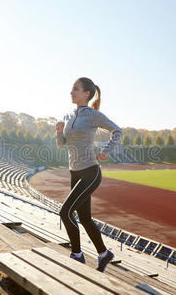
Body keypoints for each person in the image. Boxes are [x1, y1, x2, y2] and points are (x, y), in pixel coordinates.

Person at [55, 77, 123, 272]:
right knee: (84, 218)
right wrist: (59, 132)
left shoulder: (93, 115)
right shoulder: (67, 116)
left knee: (65, 212)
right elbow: (61, 145)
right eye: (71, 89)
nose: (71, 92)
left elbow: (118, 131)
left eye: (75, 89)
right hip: (74, 172)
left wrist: (106, 151)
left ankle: (77, 255)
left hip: (90, 172)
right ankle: (104, 254)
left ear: (86, 94)